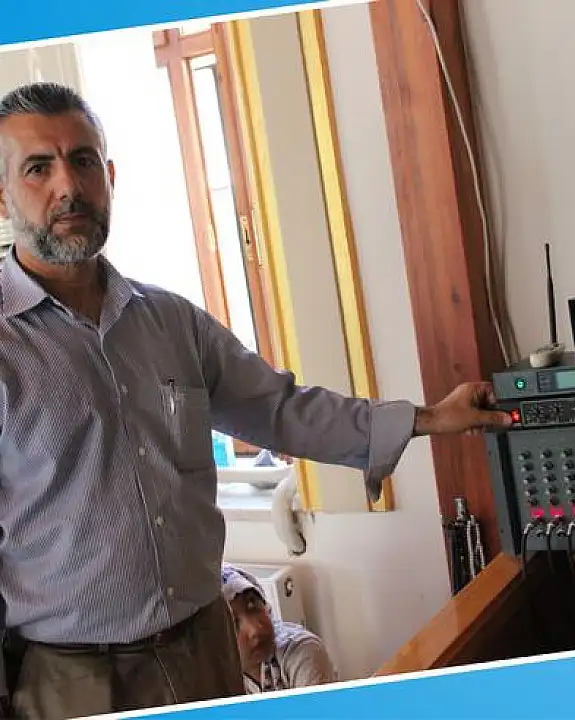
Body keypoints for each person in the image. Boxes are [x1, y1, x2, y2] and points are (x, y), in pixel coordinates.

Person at [0, 81, 512, 719]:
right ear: (3, 194)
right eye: (38, 168)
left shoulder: (169, 321)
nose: (67, 187)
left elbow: (280, 409)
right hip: (71, 682)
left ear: (109, 176)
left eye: (82, 161)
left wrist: (432, 418)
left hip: (205, 653)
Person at [220, 564, 336, 694]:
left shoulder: (300, 652)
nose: (255, 629)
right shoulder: (214, 676)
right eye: (232, 623)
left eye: (252, 605)